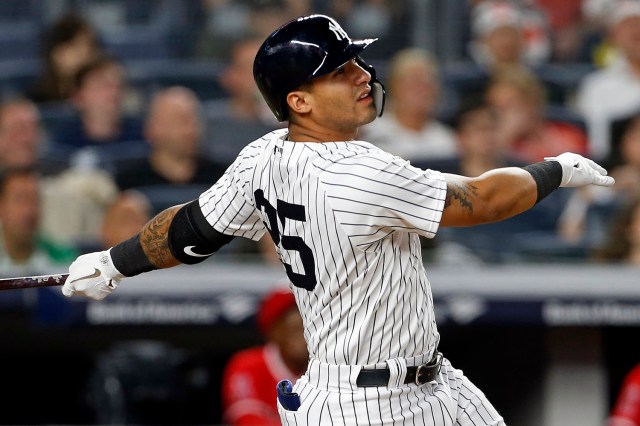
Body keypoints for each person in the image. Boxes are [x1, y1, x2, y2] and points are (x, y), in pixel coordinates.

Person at [60, 14, 614, 425]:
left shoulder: (264, 156)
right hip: (367, 405)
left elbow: (190, 231)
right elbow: (484, 201)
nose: (361, 76)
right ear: (299, 101)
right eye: (340, 72)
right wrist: (555, 169)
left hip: (432, 385)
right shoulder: (361, 169)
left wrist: (115, 261)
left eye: (354, 62)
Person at [221, 284, 308, 426]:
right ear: (273, 332)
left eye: (306, 330)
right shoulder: (249, 364)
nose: (302, 338)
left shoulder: (327, 367)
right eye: (293, 329)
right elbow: (246, 421)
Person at [359, 47, 458, 169]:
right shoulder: (369, 133)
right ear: (394, 86)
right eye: (414, 84)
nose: (423, 91)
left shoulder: (447, 140)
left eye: (428, 84)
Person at [573, 0, 640, 162]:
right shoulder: (595, 87)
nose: (636, 31)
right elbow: (595, 147)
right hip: (615, 172)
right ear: (614, 35)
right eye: (628, 26)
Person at [0, 166, 77, 277]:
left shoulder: (62, 254)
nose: (29, 210)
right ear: (1, 205)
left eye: (34, 200)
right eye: (20, 199)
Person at [26, 13, 103, 105]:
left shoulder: (104, 97)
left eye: (90, 47)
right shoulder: (37, 100)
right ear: (55, 53)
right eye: (74, 46)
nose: (84, 55)